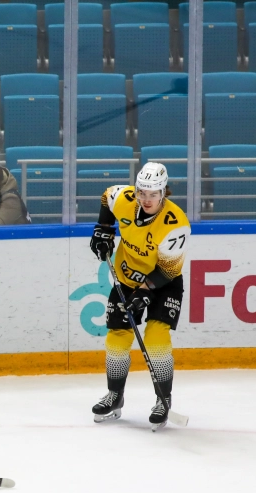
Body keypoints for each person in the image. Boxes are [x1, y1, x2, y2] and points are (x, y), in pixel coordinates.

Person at [89, 162, 191, 430]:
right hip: (126, 279)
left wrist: (145, 293)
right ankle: (115, 396)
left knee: (156, 337)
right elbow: (106, 196)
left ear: (163, 193)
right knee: (117, 336)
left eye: (153, 194)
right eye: (142, 192)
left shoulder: (176, 223)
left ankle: (163, 399)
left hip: (164, 283)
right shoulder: (125, 199)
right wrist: (103, 229)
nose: (146, 199)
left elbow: (169, 269)